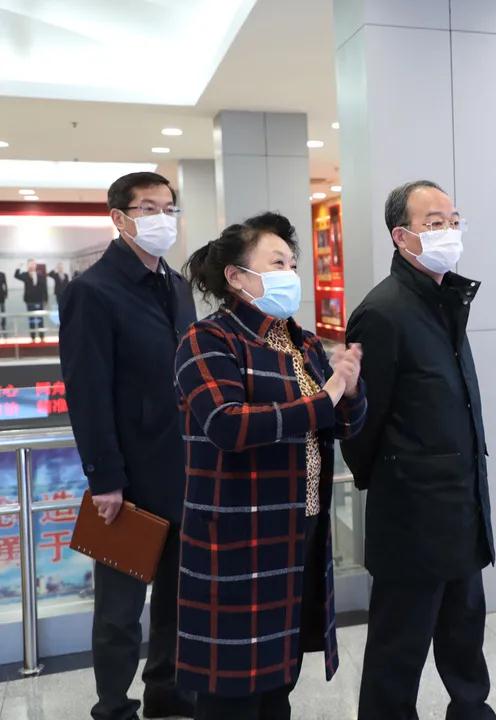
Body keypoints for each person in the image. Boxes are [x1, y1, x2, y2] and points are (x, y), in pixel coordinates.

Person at [174, 212, 367, 720]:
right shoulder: (208, 340)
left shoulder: (303, 343)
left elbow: (339, 424)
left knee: (280, 681)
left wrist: (349, 391)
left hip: (299, 531)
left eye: (292, 264)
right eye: (277, 263)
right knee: (232, 692)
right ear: (236, 276)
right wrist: (326, 398)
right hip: (238, 541)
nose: (290, 273)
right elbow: (227, 425)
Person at [342, 180, 496, 720]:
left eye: (453, 221)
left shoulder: (447, 298)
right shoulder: (382, 312)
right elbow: (361, 422)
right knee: (398, 649)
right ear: (401, 236)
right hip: (412, 514)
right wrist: (394, 477)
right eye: (434, 223)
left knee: (465, 635)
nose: (448, 232)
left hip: (461, 504)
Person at [59, 172, 196, 720]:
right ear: (118, 218)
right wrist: (105, 479)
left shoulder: (177, 286)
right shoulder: (92, 292)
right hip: (128, 480)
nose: (162, 219)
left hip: (182, 469)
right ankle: (113, 706)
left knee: (177, 599)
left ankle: (168, 692)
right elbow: (87, 393)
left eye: (169, 208)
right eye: (148, 208)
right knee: (119, 611)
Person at [14, 258, 48, 341]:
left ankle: (41, 336)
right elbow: (16, 275)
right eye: (30, 264)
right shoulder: (25, 275)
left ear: (35, 265)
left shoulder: (40, 275)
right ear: (27, 265)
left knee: (40, 319)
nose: (32, 265)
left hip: (39, 300)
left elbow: (44, 287)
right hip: (29, 301)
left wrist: (46, 299)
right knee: (31, 319)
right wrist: (18, 267)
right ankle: (33, 337)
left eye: (33, 264)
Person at [0, 267, 7, 336]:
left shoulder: (2, 274)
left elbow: (5, 284)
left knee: (3, 310)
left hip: (1, 295)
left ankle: (3, 324)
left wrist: (6, 293)